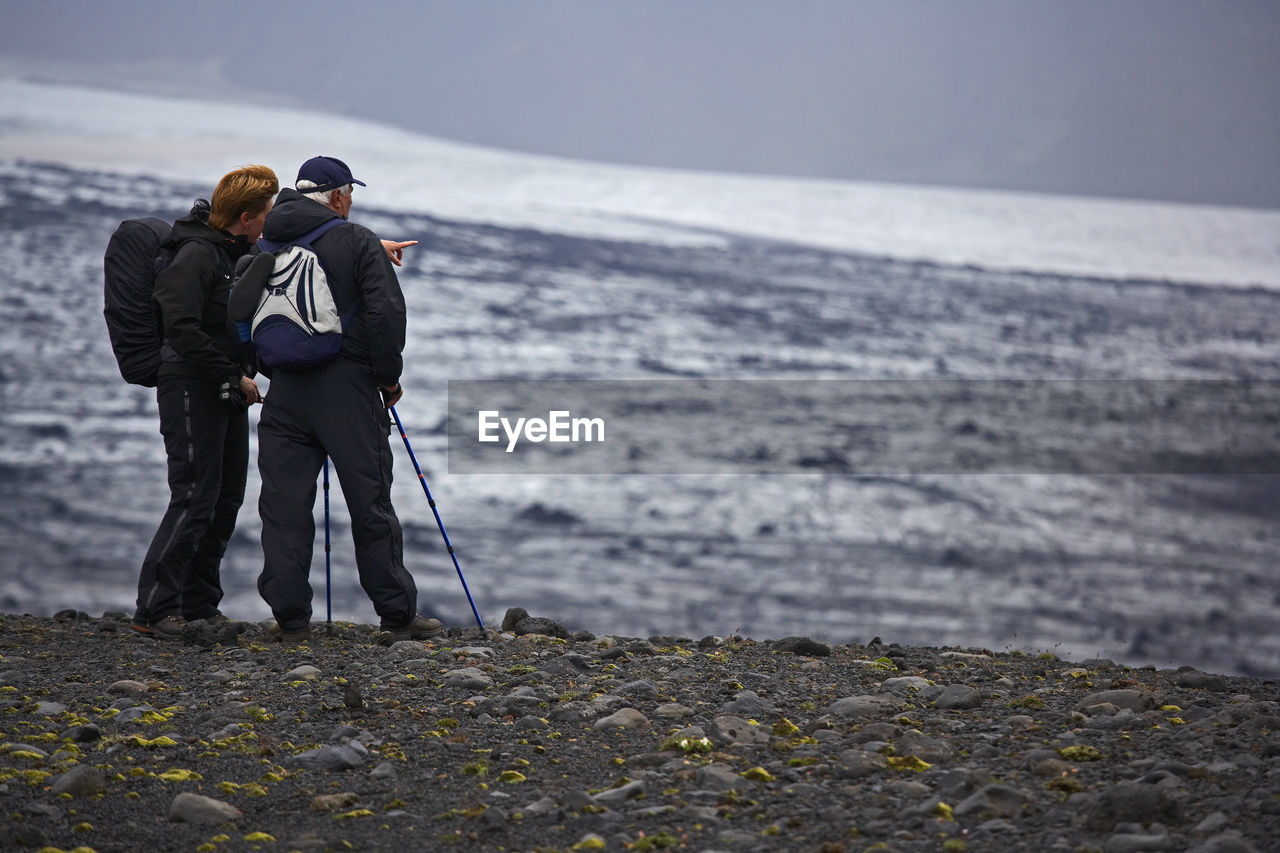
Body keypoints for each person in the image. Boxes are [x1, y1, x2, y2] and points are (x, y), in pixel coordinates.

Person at [255, 156, 442, 643]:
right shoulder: (357, 240)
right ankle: (397, 615)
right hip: (348, 391)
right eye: (350, 194)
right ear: (337, 196)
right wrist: (389, 378)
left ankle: (290, 618)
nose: (351, 201)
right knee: (370, 502)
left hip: (285, 391)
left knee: (283, 506)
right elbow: (385, 315)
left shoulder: (265, 241)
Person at [132, 164, 280, 639]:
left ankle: (199, 603)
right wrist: (230, 374)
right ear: (244, 217)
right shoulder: (197, 254)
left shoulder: (240, 251)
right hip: (190, 382)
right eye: (266, 213)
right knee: (194, 493)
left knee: (225, 496)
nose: (270, 222)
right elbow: (180, 325)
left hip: (225, 384)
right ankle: (156, 609)